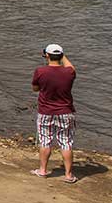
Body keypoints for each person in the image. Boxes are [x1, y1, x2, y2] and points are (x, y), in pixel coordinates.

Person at [31, 44, 77, 183]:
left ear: (47, 55)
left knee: (45, 141)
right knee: (66, 142)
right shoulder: (69, 72)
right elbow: (71, 67)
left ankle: (43, 170)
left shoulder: (40, 71)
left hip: (46, 111)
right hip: (65, 111)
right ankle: (68, 175)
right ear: (61, 56)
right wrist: (63, 56)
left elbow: (35, 88)